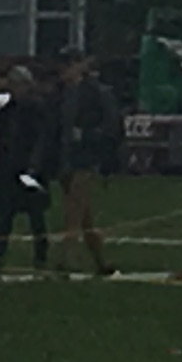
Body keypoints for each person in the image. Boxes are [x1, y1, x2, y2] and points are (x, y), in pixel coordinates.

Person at [0, 62, 55, 273]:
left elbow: (43, 139)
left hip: (31, 171)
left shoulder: (38, 109)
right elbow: (1, 142)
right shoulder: (5, 112)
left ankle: (40, 257)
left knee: (37, 217)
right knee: (4, 216)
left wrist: (35, 165)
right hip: (9, 170)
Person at [55, 54, 122, 277]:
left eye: (69, 64)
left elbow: (112, 127)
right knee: (85, 216)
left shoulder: (98, 93)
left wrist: (86, 136)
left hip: (88, 158)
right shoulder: (63, 94)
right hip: (68, 159)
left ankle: (67, 259)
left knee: (73, 212)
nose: (64, 70)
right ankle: (101, 261)